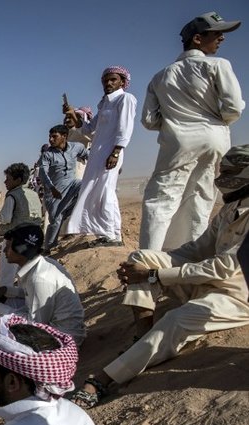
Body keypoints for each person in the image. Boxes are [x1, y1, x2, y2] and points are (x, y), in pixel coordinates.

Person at [69, 144, 249, 407]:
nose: (221, 177)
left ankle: (103, 379)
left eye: (229, 172)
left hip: (236, 295)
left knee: (175, 320)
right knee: (141, 256)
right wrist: (156, 264)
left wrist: (155, 275)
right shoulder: (230, 208)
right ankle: (142, 336)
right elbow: (198, 249)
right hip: (205, 278)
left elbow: (222, 267)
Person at [139, 12, 244, 251]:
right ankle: (187, 262)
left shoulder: (160, 76)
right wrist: (214, 120)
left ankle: (147, 267)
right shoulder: (218, 65)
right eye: (216, 33)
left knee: (161, 201)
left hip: (179, 142)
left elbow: (148, 120)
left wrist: (174, 120)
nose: (221, 38)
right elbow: (234, 108)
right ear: (197, 39)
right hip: (215, 139)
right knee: (200, 199)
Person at [64, 66, 137, 246]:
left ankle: (114, 235)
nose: (108, 83)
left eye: (113, 80)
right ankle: (104, 232)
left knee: (106, 191)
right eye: (105, 80)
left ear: (122, 82)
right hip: (97, 153)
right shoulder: (104, 103)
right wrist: (73, 114)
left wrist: (116, 151)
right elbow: (89, 128)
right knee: (94, 191)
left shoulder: (125, 99)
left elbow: (125, 128)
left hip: (111, 152)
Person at [0, 225, 86, 344]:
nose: (4, 252)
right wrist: (7, 290)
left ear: (20, 249)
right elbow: (31, 294)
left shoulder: (39, 278)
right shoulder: (39, 264)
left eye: (8, 247)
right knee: (7, 304)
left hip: (62, 340)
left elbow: (36, 325)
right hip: (53, 325)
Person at [0, 163, 42, 305]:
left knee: (6, 273)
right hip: (33, 240)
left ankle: (1, 303)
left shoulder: (12, 195)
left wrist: (0, 219)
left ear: (18, 180)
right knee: (25, 274)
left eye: (8, 179)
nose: (5, 182)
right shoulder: (34, 194)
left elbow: (5, 218)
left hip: (14, 240)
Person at [40, 125, 89, 251]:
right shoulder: (47, 155)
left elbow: (88, 155)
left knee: (85, 185)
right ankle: (48, 248)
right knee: (56, 220)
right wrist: (51, 188)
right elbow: (43, 174)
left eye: (54, 136)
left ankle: (74, 218)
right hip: (54, 193)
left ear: (64, 137)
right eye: (50, 137)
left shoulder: (76, 147)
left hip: (72, 186)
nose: (50, 139)